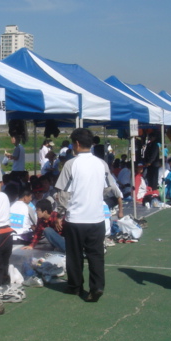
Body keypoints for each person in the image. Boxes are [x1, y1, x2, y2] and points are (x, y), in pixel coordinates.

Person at [54, 128, 123, 302]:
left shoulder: (71, 164)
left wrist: (60, 214)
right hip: (96, 217)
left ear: (76, 144)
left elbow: (62, 192)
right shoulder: (101, 163)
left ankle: (75, 286)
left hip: (76, 218)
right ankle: (97, 286)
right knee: (96, 255)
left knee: (74, 255)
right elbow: (110, 187)